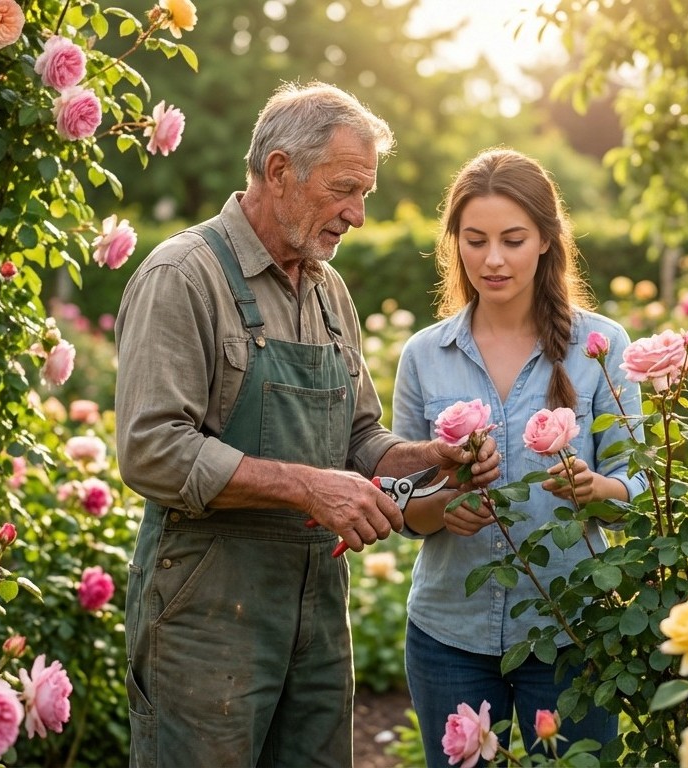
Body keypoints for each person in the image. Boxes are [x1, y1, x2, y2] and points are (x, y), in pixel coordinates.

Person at [113, 82, 499, 767]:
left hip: (316, 613)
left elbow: (357, 439)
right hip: (205, 615)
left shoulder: (326, 289)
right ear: (280, 170)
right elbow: (151, 451)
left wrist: (424, 457)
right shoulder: (183, 276)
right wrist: (307, 488)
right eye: (345, 188)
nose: (355, 214)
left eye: (365, 195)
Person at [391, 148, 646, 765]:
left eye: (512, 239)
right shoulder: (425, 356)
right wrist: (444, 506)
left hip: (572, 634)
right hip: (448, 635)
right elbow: (400, 504)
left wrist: (596, 491)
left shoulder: (600, 347)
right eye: (475, 241)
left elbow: (637, 484)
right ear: (456, 243)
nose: (493, 259)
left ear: (546, 241)